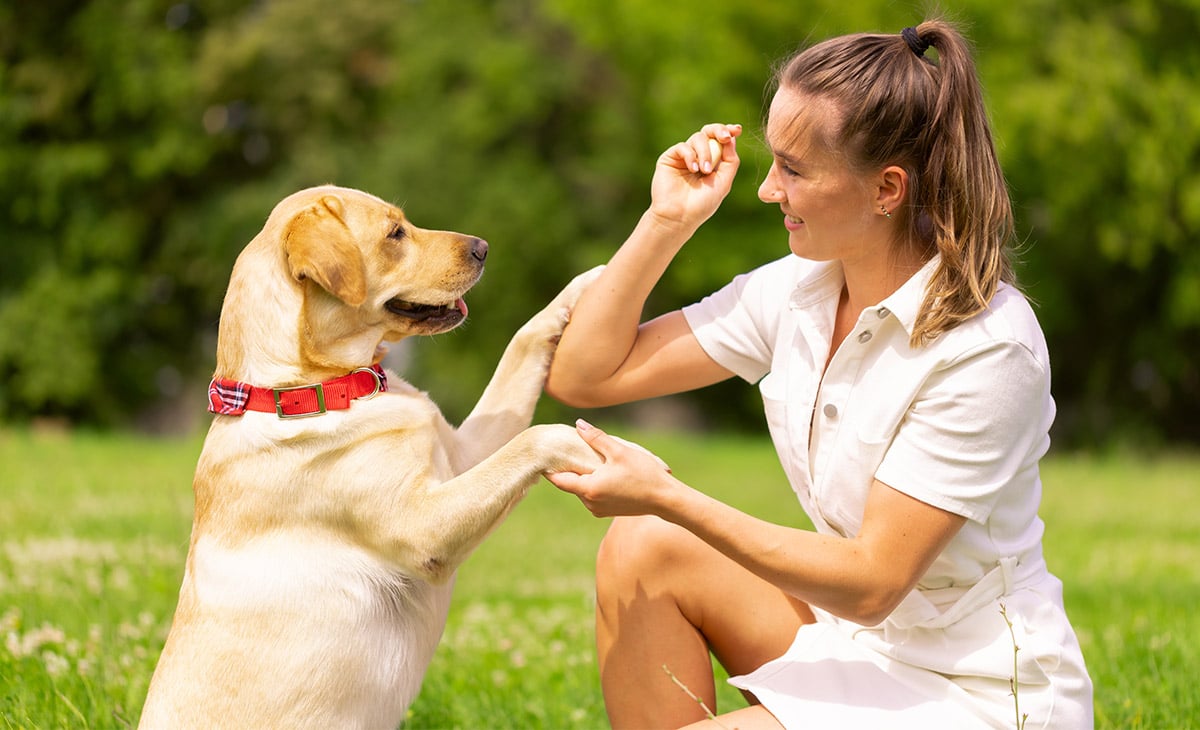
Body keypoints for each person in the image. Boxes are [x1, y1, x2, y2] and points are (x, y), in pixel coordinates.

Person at [543, 18, 1094, 730]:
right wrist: (667, 221)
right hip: (861, 643)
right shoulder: (799, 288)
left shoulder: (988, 348)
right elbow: (587, 374)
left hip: (975, 694)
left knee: (660, 519)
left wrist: (669, 495)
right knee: (643, 545)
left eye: (795, 170)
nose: (769, 190)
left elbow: (871, 583)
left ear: (887, 189)